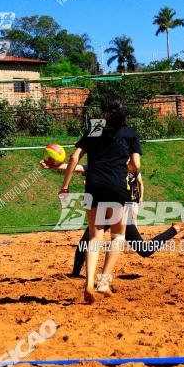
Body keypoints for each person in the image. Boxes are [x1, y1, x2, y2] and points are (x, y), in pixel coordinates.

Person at [59, 94, 141, 303]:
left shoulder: (95, 127)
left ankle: (88, 283)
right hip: (116, 186)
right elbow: (136, 166)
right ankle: (103, 282)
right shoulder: (128, 132)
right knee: (117, 237)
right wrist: (125, 168)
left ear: (104, 111)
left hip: (93, 185)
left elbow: (74, 157)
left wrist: (65, 186)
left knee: (95, 237)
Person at [41, 160, 181, 276]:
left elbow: (135, 166)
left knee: (144, 250)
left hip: (119, 213)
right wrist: (54, 166)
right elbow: (79, 167)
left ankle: (175, 228)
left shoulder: (124, 169)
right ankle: (75, 274)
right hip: (102, 211)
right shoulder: (103, 166)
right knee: (84, 242)